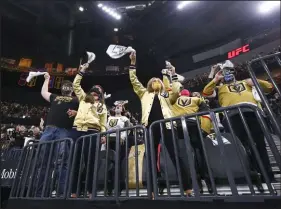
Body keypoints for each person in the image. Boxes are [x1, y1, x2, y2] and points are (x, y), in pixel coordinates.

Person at [128, 51, 193, 197]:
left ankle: (187, 188)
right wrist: (132, 64)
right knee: (150, 158)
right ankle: (152, 190)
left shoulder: (166, 94)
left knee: (176, 155)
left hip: (167, 126)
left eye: (158, 79)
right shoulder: (144, 93)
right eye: (153, 80)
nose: (156, 81)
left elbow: (176, 90)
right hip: (150, 127)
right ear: (149, 84)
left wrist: (174, 74)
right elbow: (133, 80)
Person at [203, 67, 275, 181]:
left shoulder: (246, 82)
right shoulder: (220, 87)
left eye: (230, 72)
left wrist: (255, 80)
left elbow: (270, 87)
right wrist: (215, 79)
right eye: (225, 73)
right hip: (232, 117)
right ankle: (250, 173)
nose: (228, 75)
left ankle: (267, 174)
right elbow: (206, 92)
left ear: (234, 74)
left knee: (259, 144)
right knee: (240, 147)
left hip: (253, 113)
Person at [36, 72, 79, 197]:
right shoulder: (55, 97)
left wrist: (76, 112)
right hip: (49, 130)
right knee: (43, 161)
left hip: (64, 130)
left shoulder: (77, 99)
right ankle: (40, 193)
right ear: (62, 88)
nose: (66, 88)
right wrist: (47, 79)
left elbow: (87, 106)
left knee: (62, 162)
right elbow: (44, 93)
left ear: (72, 89)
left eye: (68, 86)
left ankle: (61, 193)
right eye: (64, 86)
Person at [70, 63, 107, 198]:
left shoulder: (102, 106)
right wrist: (82, 71)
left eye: (98, 91)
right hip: (77, 131)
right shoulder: (83, 98)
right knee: (75, 162)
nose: (95, 92)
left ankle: (91, 191)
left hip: (93, 132)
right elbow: (75, 86)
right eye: (93, 90)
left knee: (91, 162)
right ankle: (74, 191)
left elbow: (103, 122)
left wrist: (103, 134)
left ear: (101, 94)